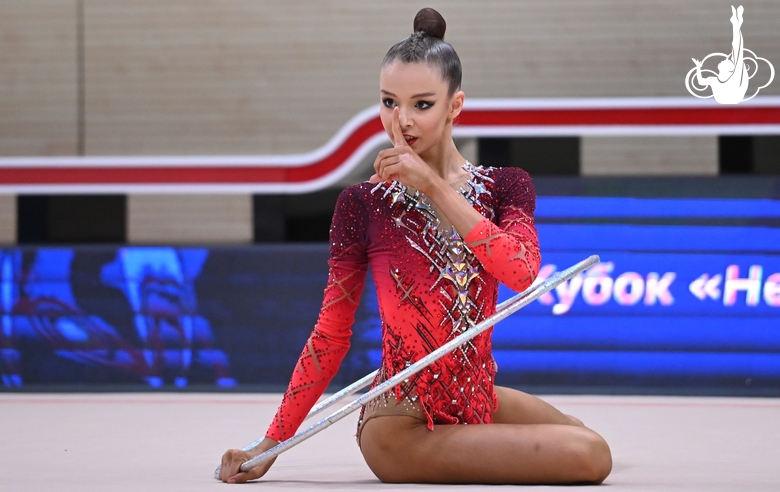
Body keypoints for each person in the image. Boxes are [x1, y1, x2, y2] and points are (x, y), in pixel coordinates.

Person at [219, 8, 612, 484]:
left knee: (577, 432)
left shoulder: (506, 186)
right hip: (401, 421)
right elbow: (331, 334)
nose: (400, 121)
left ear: (455, 105)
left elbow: (521, 271)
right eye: (389, 102)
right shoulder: (361, 204)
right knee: (589, 455)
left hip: (475, 396)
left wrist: (434, 186)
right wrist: (273, 440)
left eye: (421, 104)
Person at [692, 5, 748, 104]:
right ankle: (736, 23)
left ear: (729, 69)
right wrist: (698, 67)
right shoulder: (714, 80)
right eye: (727, 60)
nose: (725, 59)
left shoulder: (735, 77)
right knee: (736, 50)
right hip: (725, 101)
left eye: (727, 61)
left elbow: (737, 48)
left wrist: (736, 26)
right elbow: (701, 82)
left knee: (737, 50)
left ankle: (736, 23)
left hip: (733, 99)